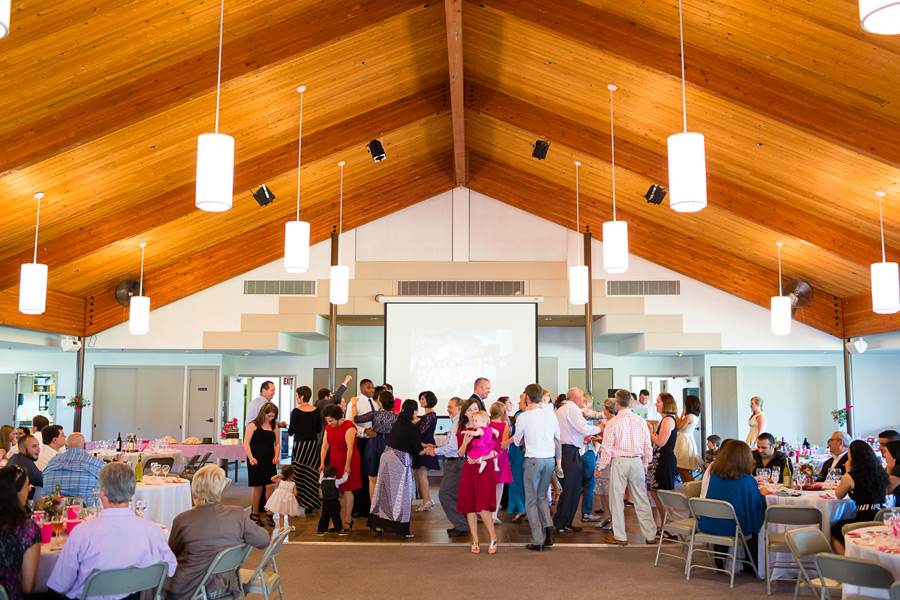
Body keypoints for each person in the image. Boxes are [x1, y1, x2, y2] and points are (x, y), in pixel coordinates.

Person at [47, 462, 177, 599]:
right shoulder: (153, 531)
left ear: (102, 493)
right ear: (132, 492)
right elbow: (170, 569)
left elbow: (60, 585)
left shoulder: (81, 533)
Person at [165, 464, 269, 599]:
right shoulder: (237, 514)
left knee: (149, 582)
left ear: (194, 490)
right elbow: (264, 540)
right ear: (220, 491)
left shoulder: (183, 520)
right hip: (225, 585)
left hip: (191, 588)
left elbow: (170, 556)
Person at [597, 389, 658, 546]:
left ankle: (620, 536)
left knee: (616, 499)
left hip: (619, 462)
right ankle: (650, 534)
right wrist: (645, 464)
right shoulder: (640, 421)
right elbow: (648, 446)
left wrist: (600, 467)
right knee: (641, 498)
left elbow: (607, 448)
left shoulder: (612, 423)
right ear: (631, 402)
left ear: (616, 404)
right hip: (636, 461)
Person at [702, 440, 769, 570]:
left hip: (709, 522)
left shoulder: (715, 475)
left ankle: (720, 555)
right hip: (732, 527)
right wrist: (764, 495)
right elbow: (755, 504)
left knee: (732, 514)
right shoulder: (747, 480)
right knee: (757, 519)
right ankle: (751, 562)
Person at [368, 400, 429, 538]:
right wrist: (430, 450)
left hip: (387, 456)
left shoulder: (398, 423)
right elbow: (418, 450)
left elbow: (408, 441)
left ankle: (379, 524)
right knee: (402, 495)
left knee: (384, 492)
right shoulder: (412, 427)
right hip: (399, 460)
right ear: (415, 411)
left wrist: (424, 446)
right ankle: (402, 529)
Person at [513, 383, 560, 551]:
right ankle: (550, 533)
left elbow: (517, 440)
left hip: (533, 459)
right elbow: (557, 436)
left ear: (527, 398)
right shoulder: (550, 415)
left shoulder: (524, 417)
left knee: (531, 500)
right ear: (541, 398)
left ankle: (538, 540)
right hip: (549, 459)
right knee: (541, 498)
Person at [554, 387, 602, 533]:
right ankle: (564, 523)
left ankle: (560, 519)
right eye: (582, 397)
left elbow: (570, 430)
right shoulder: (573, 409)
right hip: (570, 452)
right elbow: (584, 428)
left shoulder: (561, 409)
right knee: (573, 489)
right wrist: (600, 427)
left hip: (563, 450)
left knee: (567, 488)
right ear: (575, 397)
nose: (584, 400)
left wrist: (580, 438)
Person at [832, 440, 891, 553]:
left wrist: (848, 471)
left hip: (864, 518)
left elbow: (838, 495)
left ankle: (847, 560)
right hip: (881, 517)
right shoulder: (880, 472)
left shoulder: (851, 476)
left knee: (834, 530)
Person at [457, 400, 499, 554]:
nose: (472, 412)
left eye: (475, 409)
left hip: (484, 469)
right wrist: (465, 443)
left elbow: (496, 451)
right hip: (469, 469)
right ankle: (475, 539)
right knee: (470, 506)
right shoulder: (463, 430)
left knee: (483, 507)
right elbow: (460, 453)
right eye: (469, 410)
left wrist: (479, 459)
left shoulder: (487, 430)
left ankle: (493, 538)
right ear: (465, 412)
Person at [0, 465, 41, 600]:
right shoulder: (26, 529)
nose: (30, 489)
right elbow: (27, 586)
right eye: (26, 486)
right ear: (14, 493)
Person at [319, 403, 360, 531]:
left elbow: (350, 448)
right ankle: (335, 520)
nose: (330, 423)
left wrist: (347, 465)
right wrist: (322, 463)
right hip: (334, 459)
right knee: (334, 492)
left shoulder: (349, 426)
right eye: (327, 421)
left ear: (337, 417)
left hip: (348, 458)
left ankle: (348, 521)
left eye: (331, 420)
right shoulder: (328, 427)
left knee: (347, 489)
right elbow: (324, 446)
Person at [353, 390, 397, 501]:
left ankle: (373, 508)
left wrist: (353, 405)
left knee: (372, 478)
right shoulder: (396, 417)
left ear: (380, 403)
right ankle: (387, 506)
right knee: (388, 478)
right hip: (390, 445)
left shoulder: (375, 414)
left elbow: (356, 419)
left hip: (374, 443)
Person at [436, 397, 469, 538]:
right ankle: (460, 524)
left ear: (459, 408)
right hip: (455, 462)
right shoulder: (456, 422)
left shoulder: (458, 422)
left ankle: (462, 525)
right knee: (452, 495)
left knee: (444, 495)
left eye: (450, 407)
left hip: (456, 462)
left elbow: (454, 447)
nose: (448, 409)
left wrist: (435, 451)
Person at [42, 433, 105, 505]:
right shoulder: (97, 463)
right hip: (87, 512)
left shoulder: (52, 462)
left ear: (66, 447)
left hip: (54, 511)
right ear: (85, 446)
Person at [244, 401, 280, 527]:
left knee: (270, 486)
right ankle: (254, 513)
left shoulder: (274, 426)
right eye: (268, 416)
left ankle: (269, 513)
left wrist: (276, 456)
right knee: (258, 487)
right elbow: (246, 443)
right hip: (256, 459)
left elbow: (277, 443)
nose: (270, 418)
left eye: (272, 416)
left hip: (269, 458)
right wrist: (250, 457)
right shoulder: (253, 425)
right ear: (263, 413)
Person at [648, 393, 678, 534]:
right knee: (655, 493)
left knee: (663, 495)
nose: (656, 404)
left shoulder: (668, 420)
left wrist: (650, 433)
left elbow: (660, 442)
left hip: (665, 461)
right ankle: (665, 524)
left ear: (666, 404)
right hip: (660, 460)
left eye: (658, 401)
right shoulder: (665, 420)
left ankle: (670, 528)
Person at [288, 385, 321, 513]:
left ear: (301, 397)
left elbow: (291, 431)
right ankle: (310, 504)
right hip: (312, 445)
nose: (296, 398)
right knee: (311, 472)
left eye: (297, 395)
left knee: (298, 472)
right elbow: (318, 429)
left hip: (300, 445)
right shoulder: (316, 411)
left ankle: (297, 501)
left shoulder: (296, 412)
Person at [348, 379, 377, 518]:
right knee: (360, 474)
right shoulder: (355, 402)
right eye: (369, 387)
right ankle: (359, 508)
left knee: (370, 474)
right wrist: (364, 431)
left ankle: (370, 505)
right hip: (360, 441)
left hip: (372, 442)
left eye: (372, 387)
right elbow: (350, 422)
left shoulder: (376, 403)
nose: (372, 389)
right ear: (361, 387)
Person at [592, 398, 618, 531]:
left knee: (608, 491)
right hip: (604, 456)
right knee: (601, 489)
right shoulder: (607, 422)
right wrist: (600, 440)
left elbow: (613, 444)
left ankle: (613, 518)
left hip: (610, 459)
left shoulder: (613, 423)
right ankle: (606, 515)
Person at [413, 390, 440, 512]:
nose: (420, 401)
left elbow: (420, 431)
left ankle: (426, 502)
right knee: (419, 473)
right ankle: (427, 499)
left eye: (423, 399)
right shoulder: (427, 415)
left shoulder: (430, 415)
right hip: (423, 444)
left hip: (426, 445)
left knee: (422, 473)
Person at [488, 401, 513, 524]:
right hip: (500, 456)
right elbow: (503, 445)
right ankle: (494, 514)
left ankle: (485, 510)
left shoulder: (487, 424)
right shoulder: (504, 426)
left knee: (488, 484)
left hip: (488, 456)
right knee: (499, 485)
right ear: (503, 412)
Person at [506, 394, 528, 523]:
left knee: (517, 478)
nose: (518, 403)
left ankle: (520, 508)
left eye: (520, 401)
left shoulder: (520, 415)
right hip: (520, 450)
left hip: (518, 450)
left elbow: (517, 435)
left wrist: (506, 443)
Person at [674, 395, 701, 482]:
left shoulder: (689, 416)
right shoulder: (694, 415)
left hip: (684, 441)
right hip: (687, 439)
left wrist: (680, 414)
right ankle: (688, 489)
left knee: (682, 467)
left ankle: (692, 488)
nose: (684, 403)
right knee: (681, 467)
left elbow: (678, 427)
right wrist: (680, 415)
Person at [265, 464, 301, 530]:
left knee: (281, 515)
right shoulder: (293, 484)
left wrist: (279, 475)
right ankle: (290, 526)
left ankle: (282, 528)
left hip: (281, 500)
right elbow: (295, 494)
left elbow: (272, 479)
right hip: (289, 501)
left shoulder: (281, 481)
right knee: (290, 514)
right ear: (292, 474)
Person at [317, 466, 349, 536]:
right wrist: (345, 472)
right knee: (336, 516)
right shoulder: (336, 482)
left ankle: (320, 530)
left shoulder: (322, 481)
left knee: (324, 516)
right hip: (334, 502)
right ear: (335, 474)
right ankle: (340, 530)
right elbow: (345, 479)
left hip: (325, 502)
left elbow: (321, 477)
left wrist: (322, 470)